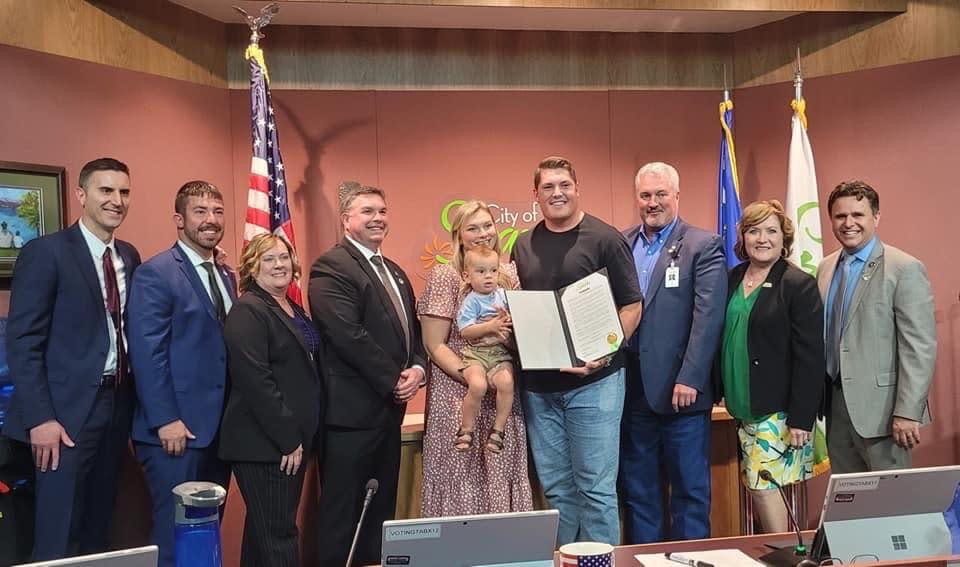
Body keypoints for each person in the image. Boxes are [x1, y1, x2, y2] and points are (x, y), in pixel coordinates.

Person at [2, 157, 141, 560]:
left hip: (116, 406)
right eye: (106, 190)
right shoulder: (46, 253)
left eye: (124, 192)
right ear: (81, 195)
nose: (116, 200)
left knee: (100, 526)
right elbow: (23, 341)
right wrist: (40, 419)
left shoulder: (128, 256)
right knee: (59, 532)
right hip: (62, 417)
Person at [511, 156, 643, 545]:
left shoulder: (605, 238)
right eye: (548, 187)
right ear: (535, 194)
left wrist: (604, 351)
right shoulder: (522, 245)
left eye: (564, 184)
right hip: (539, 388)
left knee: (596, 491)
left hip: (596, 383)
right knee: (557, 493)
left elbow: (632, 306)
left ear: (577, 187)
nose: (557, 193)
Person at [309, 184, 427, 566]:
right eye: (367, 212)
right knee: (343, 515)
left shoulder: (392, 270)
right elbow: (347, 334)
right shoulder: (332, 266)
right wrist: (394, 378)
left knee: (381, 515)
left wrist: (418, 367)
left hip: (387, 414)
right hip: (351, 417)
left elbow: (413, 329)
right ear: (346, 220)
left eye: (382, 210)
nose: (378, 218)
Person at [126, 181, 235, 567]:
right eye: (200, 212)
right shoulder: (156, 273)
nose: (211, 220)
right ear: (179, 219)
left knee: (205, 535)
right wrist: (165, 419)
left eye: (218, 212)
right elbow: (146, 352)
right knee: (174, 538)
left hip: (219, 432)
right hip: (176, 433)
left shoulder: (225, 275)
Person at [620, 162, 727, 544]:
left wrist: (690, 376)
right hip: (631, 391)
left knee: (689, 492)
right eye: (646, 195)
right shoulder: (621, 241)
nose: (653, 202)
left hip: (682, 392)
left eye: (661, 194)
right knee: (640, 492)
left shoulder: (703, 245)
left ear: (677, 196)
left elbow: (708, 317)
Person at [418, 199, 533, 517]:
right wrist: (473, 375)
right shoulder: (446, 276)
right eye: (473, 228)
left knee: (499, 471)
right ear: (458, 236)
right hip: (459, 394)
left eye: (487, 225)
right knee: (461, 477)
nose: (482, 233)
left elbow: (520, 331)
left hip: (501, 390)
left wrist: (506, 350)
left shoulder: (508, 274)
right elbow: (435, 345)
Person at [717, 200, 825, 533]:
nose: (762, 238)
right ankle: (782, 552)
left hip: (778, 412)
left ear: (784, 237)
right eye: (753, 231)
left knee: (763, 488)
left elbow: (811, 355)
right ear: (743, 237)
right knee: (759, 485)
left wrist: (801, 417)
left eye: (770, 231)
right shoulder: (734, 277)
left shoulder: (797, 284)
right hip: (742, 408)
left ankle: (783, 555)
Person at [818, 180, 936, 473]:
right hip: (835, 407)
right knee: (849, 505)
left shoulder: (904, 268)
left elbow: (919, 348)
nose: (849, 223)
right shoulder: (825, 267)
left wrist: (908, 412)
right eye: (840, 216)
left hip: (886, 415)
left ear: (876, 217)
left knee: (891, 509)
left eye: (858, 215)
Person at [219, 233, 323, 567]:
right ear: (252, 266)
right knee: (279, 535)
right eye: (269, 259)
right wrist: (288, 439)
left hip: (288, 442)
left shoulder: (289, 306)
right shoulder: (249, 309)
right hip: (266, 446)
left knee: (262, 534)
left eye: (283, 257)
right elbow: (255, 379)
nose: (279, 265)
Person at [455, 245, 516, 453]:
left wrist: (507, 320)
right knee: (478, 385)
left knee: (507, 382)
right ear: (467, 275)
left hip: (500, 354)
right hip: (476, 355)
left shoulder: (504, 296)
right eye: (481, 272)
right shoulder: (471, 301)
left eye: (493, 270)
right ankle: (466, 428)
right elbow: (465, 330)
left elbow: (513, 321)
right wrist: (490, 326)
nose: (488, 277)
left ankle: (498, 430)